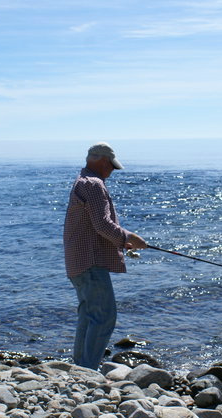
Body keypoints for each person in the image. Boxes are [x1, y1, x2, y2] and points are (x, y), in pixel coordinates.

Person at [63, 142, 147, 370]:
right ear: (102, 161)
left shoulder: (82, 180)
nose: (111, 172)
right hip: (90, 262)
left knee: (88, 315)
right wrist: (129, 237)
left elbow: (96, 225)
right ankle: (89, 369)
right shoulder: (93, 184)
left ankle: (80, 368)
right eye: (111, 166)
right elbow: (102, 224)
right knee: (104, 317)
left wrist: (124, 240)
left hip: (77, 260)